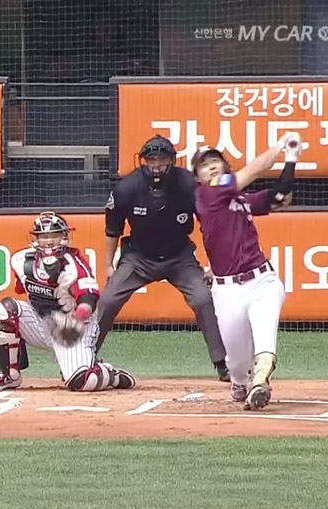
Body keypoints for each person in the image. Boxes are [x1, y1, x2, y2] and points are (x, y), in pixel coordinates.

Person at [98, 134, 230, 382]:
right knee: (108, 299)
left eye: (162, 160)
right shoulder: (126, 188)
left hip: (179, 256)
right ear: (143, 161)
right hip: (138, 258)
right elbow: (112, 231)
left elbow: (210, 226)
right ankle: (83, 358)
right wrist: (108, 265)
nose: (156, 165)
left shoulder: (189, 184)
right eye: (151, 160)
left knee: (203, 298)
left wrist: (214, 263)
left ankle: (223, 362)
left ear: (172, 160)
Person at [192, 132, 307, 410]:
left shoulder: (239, 198)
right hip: (227, 291)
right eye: (204, 165)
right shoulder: (206, 194)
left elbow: (280, 197)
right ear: (197, 177)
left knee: (265, 338)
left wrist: (292, 159)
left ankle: (260, 382)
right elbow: (256, 169)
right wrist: (279, 147)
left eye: (215, 161)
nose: (212, 167)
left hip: (262, 280)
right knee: (236, 362)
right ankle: (241, 381)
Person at [0, 211, 135, 392]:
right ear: (36, 238)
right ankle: (9, 375)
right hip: (41, 322)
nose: (49, 241)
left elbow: (89, 298)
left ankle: (110, 374)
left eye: (54, 235)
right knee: (3, 311)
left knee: (82, 381)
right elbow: (22, 290)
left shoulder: (74, 264)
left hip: (74, 328)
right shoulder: (21, 260)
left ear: (64, 237)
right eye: (44, 236)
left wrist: (76, 318)